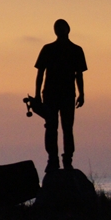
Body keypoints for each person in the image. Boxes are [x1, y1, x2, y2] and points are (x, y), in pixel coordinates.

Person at [34, 19, 87, 172]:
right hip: (51, 95)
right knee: (52, 128)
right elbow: (40, 74)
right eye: (58, 28)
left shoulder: (76, 50)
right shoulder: (48, 49)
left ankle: (66, 161)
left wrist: (82, 93)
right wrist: (37, 95)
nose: (60, 31)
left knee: (66, 128)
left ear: (67, 30)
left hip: (67, 95)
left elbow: (79, 75)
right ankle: (53, 160)